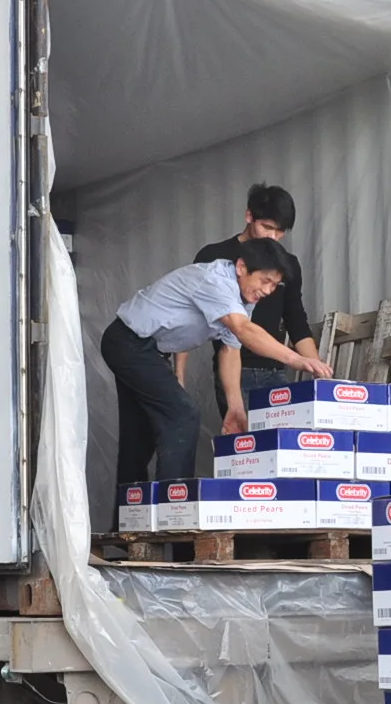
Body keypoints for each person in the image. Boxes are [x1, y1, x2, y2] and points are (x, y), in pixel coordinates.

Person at [101, 239, 332, 508]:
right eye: (265, 281)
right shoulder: (214, 280)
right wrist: (296, 358)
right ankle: (175, 518)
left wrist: (235, 407)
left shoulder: (243, 297)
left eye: (274, 285)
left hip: (146, 350)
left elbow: (230, 350)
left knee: (138, 437)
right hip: (129, 343)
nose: (268, 291)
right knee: (183, 416)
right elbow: (244, 331)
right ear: (242, 267)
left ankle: (127, 527)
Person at [189, 183, 321, 433]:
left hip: (276, 369)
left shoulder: (287, 264)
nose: (273, 237)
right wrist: (180, 377)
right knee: (249, 449)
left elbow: (296, 321)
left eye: (280, 231)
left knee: (285, 451)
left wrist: (318, 371)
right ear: (249, 216)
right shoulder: (215, 256)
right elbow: (189, 318)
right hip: (235, 369)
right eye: (267, 227)